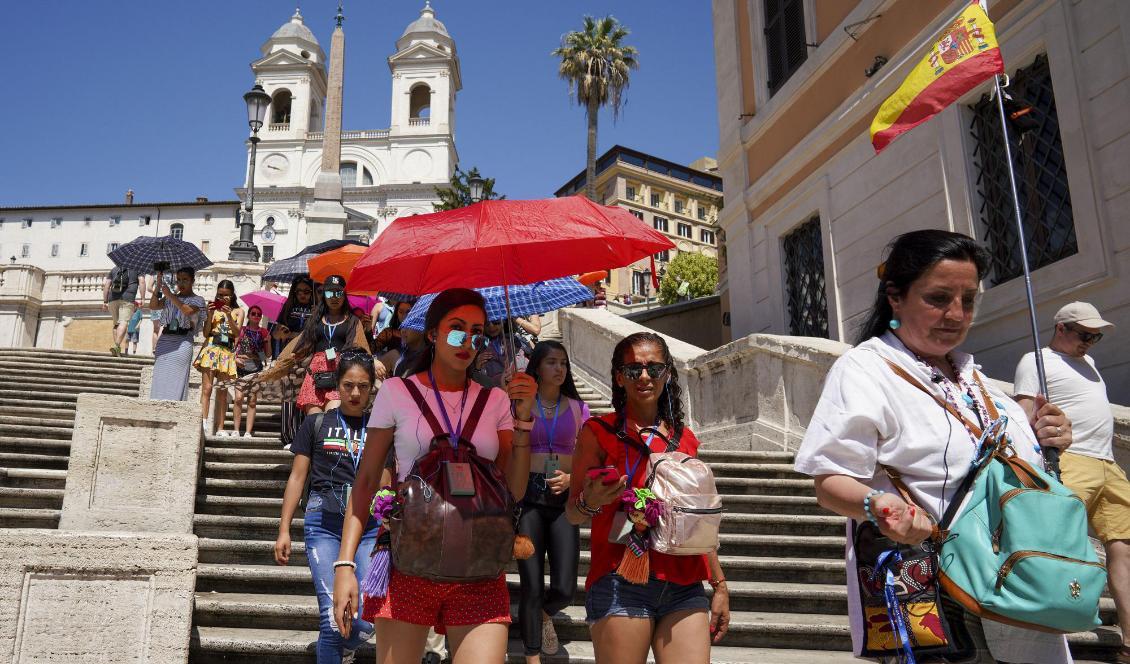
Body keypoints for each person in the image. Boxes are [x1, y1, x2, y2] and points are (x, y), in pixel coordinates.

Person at [793, 229, 1073, 664]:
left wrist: (1045, 438)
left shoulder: (977, 380)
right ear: (896, 297)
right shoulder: (866, 369)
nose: (956, 314)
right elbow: (829, 480)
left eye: (968, 299)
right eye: (938, 298)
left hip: (1018, 586)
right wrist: (880, 507)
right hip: (935, 589)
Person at [332, 288, 538, 664]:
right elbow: (364, 481)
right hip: (408, 559)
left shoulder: (495, 401)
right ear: (432, 334)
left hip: (479, 565)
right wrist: (345, 564)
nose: (468, 342)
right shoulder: (398, 392)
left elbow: (515, 489)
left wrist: (523, 422)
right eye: (457, 329)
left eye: (478, 332)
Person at [564, 331, 729, 664]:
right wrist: (591, 500)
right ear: (618, 377)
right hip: (619, 578)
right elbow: (573, 514)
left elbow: (699, 523)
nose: (643, 376)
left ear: (667, 374)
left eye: (654, 369)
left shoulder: (686, 440)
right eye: (633, 369)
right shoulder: (597, 433)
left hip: (684, 581)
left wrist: (719, 585)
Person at [1014, 301, 1128, 662]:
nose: (1090, 342)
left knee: (1124, 548)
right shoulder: (1036, 360)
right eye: (1084, 334)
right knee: (1060, 546)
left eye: (1095, 336)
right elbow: (1023, 416)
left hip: (1108, 463)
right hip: (1070, 460)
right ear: (1061, 328)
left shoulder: (1089, 362)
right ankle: (1052, 626)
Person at [275, 349, 385, 663]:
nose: (355, 393)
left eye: (363, 386)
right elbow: (297, 477)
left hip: (367, 527)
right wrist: (284, 529)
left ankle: (344, 647)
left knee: (366, 613)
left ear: (371, 388)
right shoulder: (316, 422)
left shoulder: (380, 429)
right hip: (322, 523)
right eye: (349, 385)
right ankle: (337, 649)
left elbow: (386, 482)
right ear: (337, 384)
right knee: (330, 616)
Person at [517, 341, 589, 663]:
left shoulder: (578, 408)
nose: (559, 369)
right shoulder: (520, 404)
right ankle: (532, 655)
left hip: (563, 499)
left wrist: (574, 480)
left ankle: (546, 614)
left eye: (563, 363)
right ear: (537, 366)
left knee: (564, 588)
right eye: (551, 362)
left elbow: (590, 459)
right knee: (531, 585)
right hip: (528, 500)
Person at [278, 275, 376, 416]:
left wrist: (369, 339)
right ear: (324, 295)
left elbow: (360, 347)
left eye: (338, 293)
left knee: (332, 416)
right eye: (330, 293)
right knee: (314, 420)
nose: (334, 297)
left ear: (344, 295)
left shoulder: (353, 321)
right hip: (315, 375)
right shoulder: (315, 320)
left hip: (340, 373)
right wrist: (284, 360)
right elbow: (302, 344)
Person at [148, 267, 205, 401]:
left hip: (183, 342)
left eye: (185, 280)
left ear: (192, 281)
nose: (181, 283)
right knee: (160, 379)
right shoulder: (171, 298)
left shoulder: (198, 300)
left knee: (177, 380)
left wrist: (170, 295)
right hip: (165, 341)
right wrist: (158, 286)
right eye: (178, 280)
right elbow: (153, 306)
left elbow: (188, 311)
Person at [195, 280, 243, 436]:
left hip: (227, 351)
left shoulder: (238, 311)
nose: (222, 298)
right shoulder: (212, 309)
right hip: (211, 347)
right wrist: (209, 315)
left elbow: (236, 333)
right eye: (220, 294)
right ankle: (202, 422)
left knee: (222, 391)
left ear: (232, 295)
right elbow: (205, 332)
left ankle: (221, 428)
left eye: (226, 295)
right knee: (207, 388)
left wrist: (229, 315)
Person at [274, 277, 317, 449]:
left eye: (306, 292)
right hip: (290, 357)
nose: (302, 295)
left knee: (306, 396)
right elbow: (276, 334)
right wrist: (282, 333)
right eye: (298, 291)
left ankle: (304, 436)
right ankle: (289, 436)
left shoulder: (317, 310)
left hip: (309, 357)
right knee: (288, 396)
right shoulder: (287, 308)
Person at [232, 305, 271, 439]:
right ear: (248, 315)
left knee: (252, 400)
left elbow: (267, 354)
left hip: (256, 366)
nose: (256, 315)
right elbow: (233, 347)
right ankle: (236, 430)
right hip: (241, 365)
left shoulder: (264, 332)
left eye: (258, 314)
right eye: (253, 313)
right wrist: (235, 358)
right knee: (238, 398)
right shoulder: (242, 330)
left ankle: (248, 431)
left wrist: (268, 341)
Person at [472, 318, 533, 389]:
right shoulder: (477, 346)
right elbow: (474, 380)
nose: (491, 326)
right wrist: (477, 368)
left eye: (496, 322)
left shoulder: (514, 341)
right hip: (493, 393)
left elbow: (527, 367)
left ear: (503, 321)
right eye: (486, 324)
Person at [103, 263, 144, 357]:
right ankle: (117, 345)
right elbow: (142, 282)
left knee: (116, 324)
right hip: (128, 298)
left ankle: (116, 349)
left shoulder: (114, 269)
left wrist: (105, 301)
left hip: (112, 298)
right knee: (124, 322)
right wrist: (142, 298)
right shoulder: (137, 268)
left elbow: (107, 286)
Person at [370, 299, 415, 375]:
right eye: (400, 312)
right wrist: (367, 331)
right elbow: (371, 349)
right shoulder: (389, 332)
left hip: (414, 374)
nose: (404, 316)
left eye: (408, 312)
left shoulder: (421, 334)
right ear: (396, 313)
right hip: (391, 379)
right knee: (394, 354)